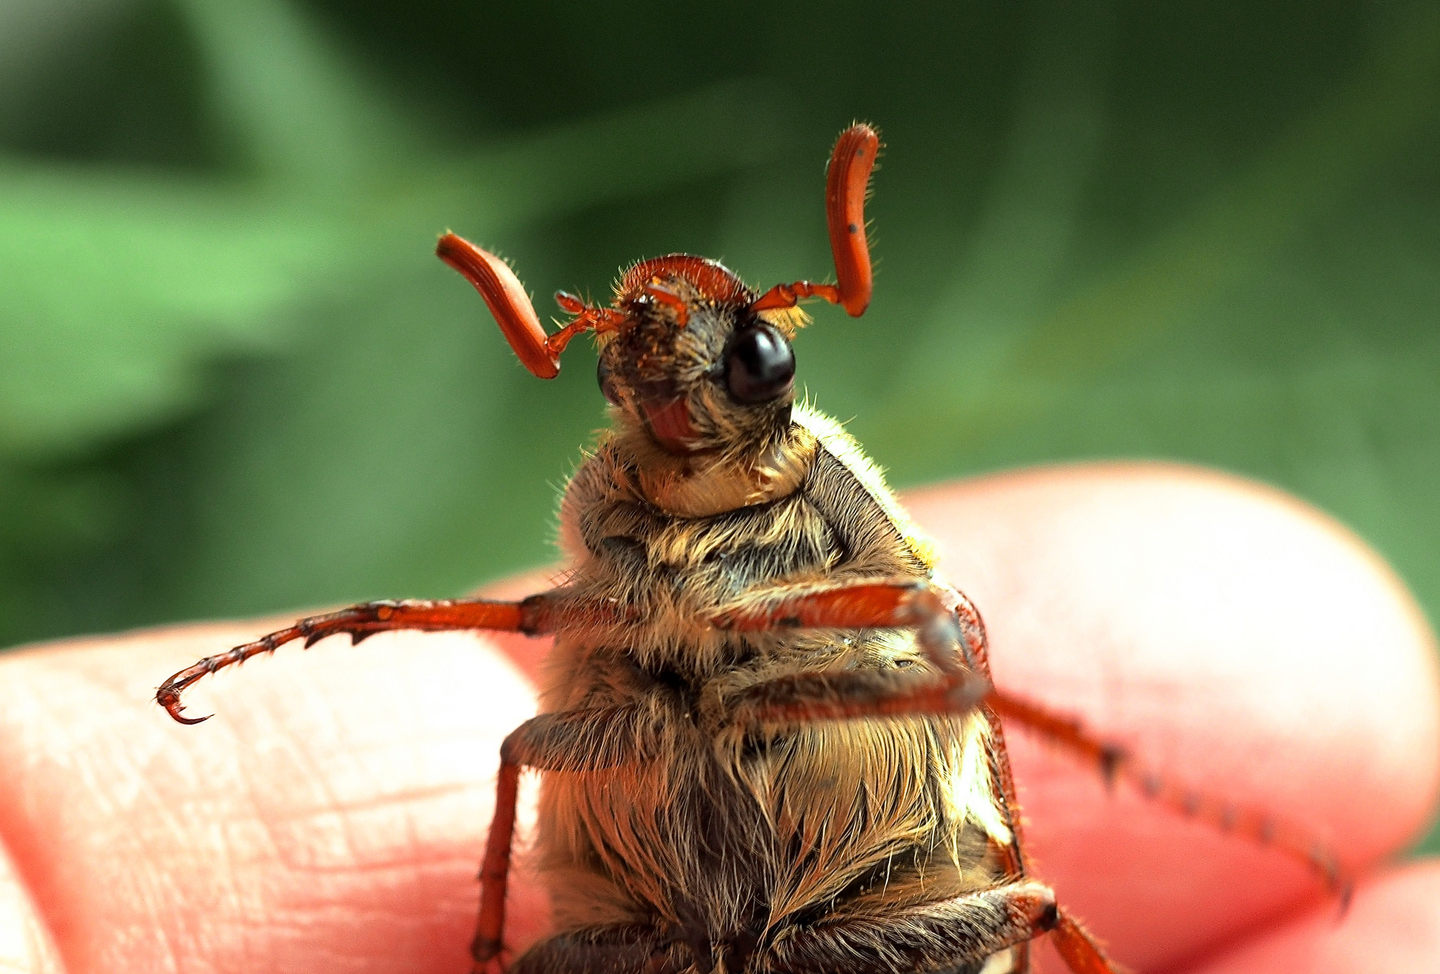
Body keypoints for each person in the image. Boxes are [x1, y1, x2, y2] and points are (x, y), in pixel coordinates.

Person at [0, 464, 1436, 973]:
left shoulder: (832, 527)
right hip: (641, 943)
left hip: (870, 933)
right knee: (522, 739)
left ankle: (1127, 771)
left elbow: (935, 635)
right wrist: (354, 620)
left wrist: (1133, 776)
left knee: (1033, 903)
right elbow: (530, 635)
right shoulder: (612, 537)